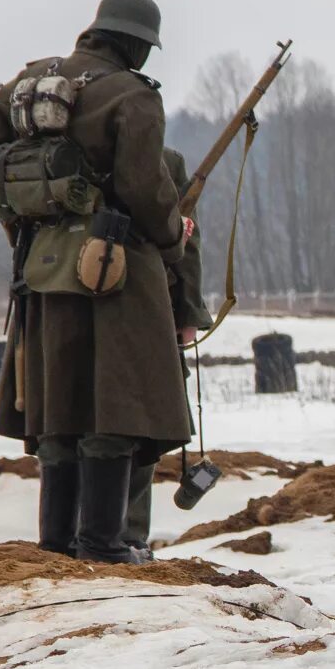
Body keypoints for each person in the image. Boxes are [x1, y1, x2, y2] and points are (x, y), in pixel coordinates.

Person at [0, 0, 195, 563]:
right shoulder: (133, 97)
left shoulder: (30, 81)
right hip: (117, 271)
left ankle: (56, 546)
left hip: (41, 271)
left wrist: (25, 223)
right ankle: (104, 546)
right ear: (136, 43)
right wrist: (172, 237)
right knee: (117, 404)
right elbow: (143, 186)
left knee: (57, 406)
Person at [122, 146, 215, 560]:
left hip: (147, 306)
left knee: (140, 428)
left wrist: (186, 313)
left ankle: (126, 536)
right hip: (102, 306)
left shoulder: (165, 162)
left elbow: (185, 239)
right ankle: (104, 537)